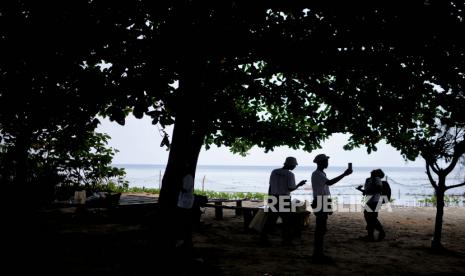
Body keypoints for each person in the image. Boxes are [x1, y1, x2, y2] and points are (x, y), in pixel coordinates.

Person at [311, 154, 352, 262]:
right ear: (321, 162)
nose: (327, 163)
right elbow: (329, 183)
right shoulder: (318, 174)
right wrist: (344, 174)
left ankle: (318, 253)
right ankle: (317, 254)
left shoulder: (320, 173)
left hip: (322, 201)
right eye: (326, 161)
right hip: (321, 201)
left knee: (322, 228)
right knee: (320, 228)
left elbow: (325, 188)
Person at [260, 156, 307, 246]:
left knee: (271, 220)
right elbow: (290, 188)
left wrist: (269, 198)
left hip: (273, 197)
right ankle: (286, 241)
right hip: (284, 199)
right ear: (291, 165)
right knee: (287, 221)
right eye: (294, 165)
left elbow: (270, 186)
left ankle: (263, 238)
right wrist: (299, 185)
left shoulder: (274, 172)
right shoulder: (290, 174)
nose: (294, 167)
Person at [356, 169, 386, 242]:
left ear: (377, 174)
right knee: (369, 217)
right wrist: (360, 189)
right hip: (370, 200)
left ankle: (379, 232)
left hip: (375, 201)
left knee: (371, 217)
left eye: (375, 171)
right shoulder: (369, 180)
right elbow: (366, 192)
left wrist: (367, 191)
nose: (373, 171)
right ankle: (372, 235)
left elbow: (379, 189)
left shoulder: (377, 179)